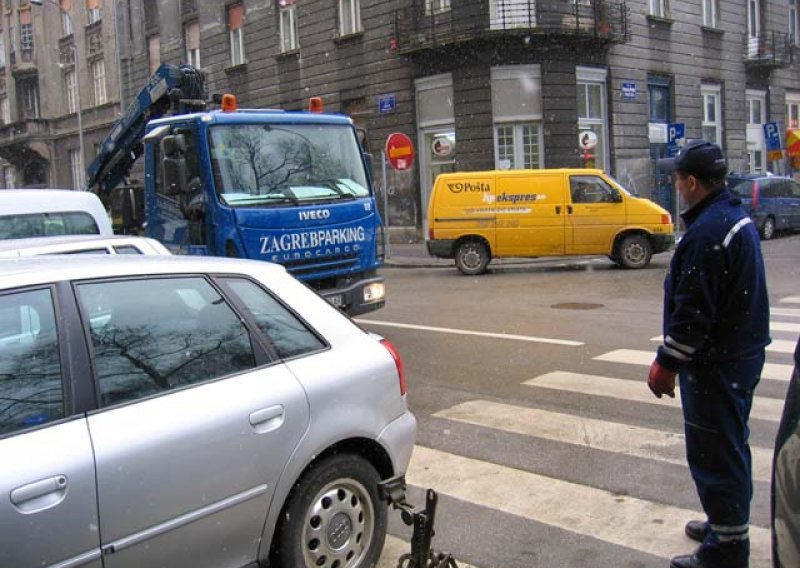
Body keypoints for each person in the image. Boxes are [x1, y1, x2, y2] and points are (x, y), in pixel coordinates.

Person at [647, 140, 771, 568]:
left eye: (678, 179)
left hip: (718, 364)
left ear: (693, 182)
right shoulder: (730, 216)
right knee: (729, 444)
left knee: (717, 452)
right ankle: (724, 524)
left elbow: (694, 311)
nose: (676, 186)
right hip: (738, 356)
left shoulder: (708, 232)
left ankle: (727, 550)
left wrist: (666, 363)